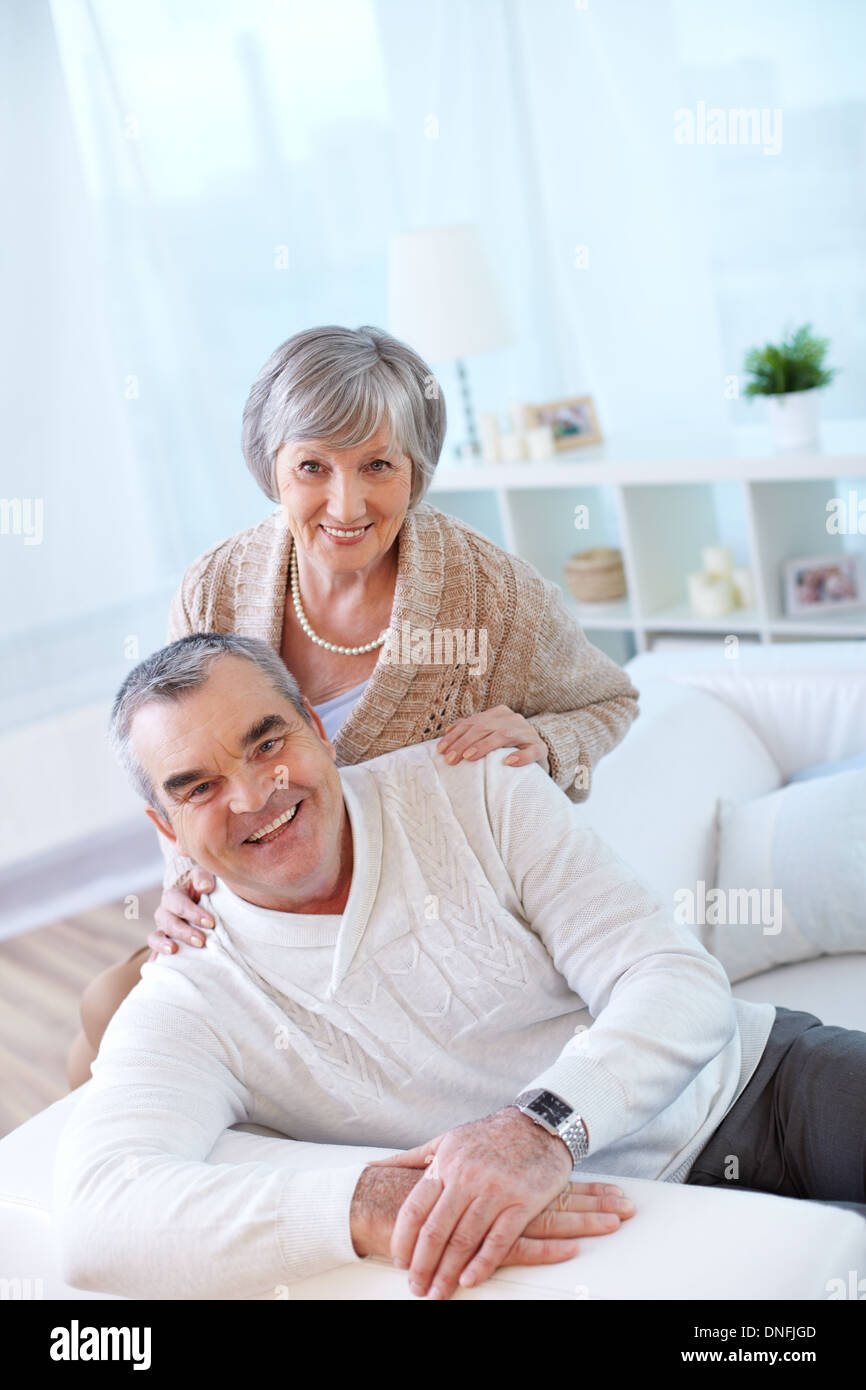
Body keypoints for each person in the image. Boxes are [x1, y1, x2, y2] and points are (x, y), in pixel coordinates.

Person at [59, 631, 866, 1303]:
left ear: (314, 725)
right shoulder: (193, 994)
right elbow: (97, 1216)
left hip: (755, 1083)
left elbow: (675, 979)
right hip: (620, 1219)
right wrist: (367, 1201)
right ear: (162, 823)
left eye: (267, 742)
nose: (253, 795)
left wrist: (538, 1126)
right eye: (198, 787)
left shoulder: (473, 787)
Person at [67, 324, 639, 1085]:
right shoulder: (216, 588)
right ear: (272, 470)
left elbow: (609, 699)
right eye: (313, 467)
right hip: (272, 898)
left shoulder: (489, 595)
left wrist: (545, 740)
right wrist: (182, 881)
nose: (347, 502)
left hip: (420, 913)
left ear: (416, 469)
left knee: (133, 1032)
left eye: (378, 465)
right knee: (101, 1013)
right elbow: (182, 766)